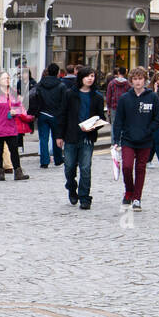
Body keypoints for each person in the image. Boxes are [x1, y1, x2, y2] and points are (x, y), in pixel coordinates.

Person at [112, 66, 159, 210]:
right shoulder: (125, 98)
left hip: (145, 139)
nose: (138, 82)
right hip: (128, 139)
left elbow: (157, 118)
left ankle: (137, 197)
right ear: (131, 81)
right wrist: (115, 140)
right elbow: (118, 121)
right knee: (127, 167)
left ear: (145, 80)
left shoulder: (152, 97)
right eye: (135, 79)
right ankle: (129, 190)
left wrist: (149, 131)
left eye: (140, 79)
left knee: (140, 169)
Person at [55, 66, 107, 210]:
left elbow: (101, 118)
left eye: (92, 76)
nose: (90, 78)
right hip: (71, 136)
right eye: (87, 76)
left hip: (87, 137)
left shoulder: (97, 97)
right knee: (69, 167)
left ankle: (85, 197)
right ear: (81, 78)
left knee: (85, 168)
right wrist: (59, 135)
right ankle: (71, 187)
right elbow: (62, 115)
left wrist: (94, 126)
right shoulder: (70, 94)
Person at [0, 70, 29, 181]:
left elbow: (20, 107)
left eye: (8, 78)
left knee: (14, 150)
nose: (7, 80)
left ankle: (18, 172)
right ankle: (0, 171)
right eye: (4, 78)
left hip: (11, 127)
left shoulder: (12, 93)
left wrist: (15, 111)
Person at [31, 64, 66, 169]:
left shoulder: (40, 84)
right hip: (56, 115)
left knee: (43, 138)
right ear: (58, 73)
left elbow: (33, 96)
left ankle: (44, 161)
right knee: (57, 137)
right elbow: (64, 102)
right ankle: (58, 159)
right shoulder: (61, 85)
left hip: (42, 113)